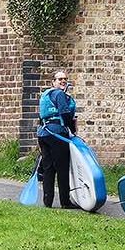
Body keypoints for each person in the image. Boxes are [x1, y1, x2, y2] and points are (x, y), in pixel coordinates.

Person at [37, 70, 78, 208]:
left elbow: (41, 117)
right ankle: (65, 202)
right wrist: (72, 130)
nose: (63, 81)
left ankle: (47, 201)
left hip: (44, 134)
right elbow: (65, 113)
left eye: (65, 79)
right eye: (59, 79)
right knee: (62, 168)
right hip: (57, 135)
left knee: (48, 168)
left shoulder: (46, 95)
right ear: (53, 82)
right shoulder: (60, 94)